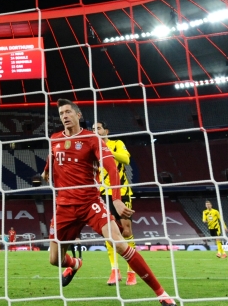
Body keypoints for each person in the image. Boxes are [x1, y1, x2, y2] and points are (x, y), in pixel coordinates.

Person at [44, 99, 173, 305]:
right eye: (61, 114)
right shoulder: (54, 139)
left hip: (90, 202)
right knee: (54, 260)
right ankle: (76, 263)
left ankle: (162, 294)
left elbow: (112, 167)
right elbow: (52, 159)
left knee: (120, 243)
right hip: (64, 206)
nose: (64, 116)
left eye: (68, 112)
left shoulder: (92, 138)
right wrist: (46, 171)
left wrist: (117, 200)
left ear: (78, 115)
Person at [94, 121, 136, 287]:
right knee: (108, 233)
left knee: (126, 231)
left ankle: (131, 272)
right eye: (93, 129)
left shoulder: (117, 143)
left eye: (98, 128)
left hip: (122, 192)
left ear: (105, 130)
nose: (95, 131)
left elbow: (126, 159)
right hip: (102, 194)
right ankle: (114, 270)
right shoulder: (92, 150)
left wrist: (106, 151)